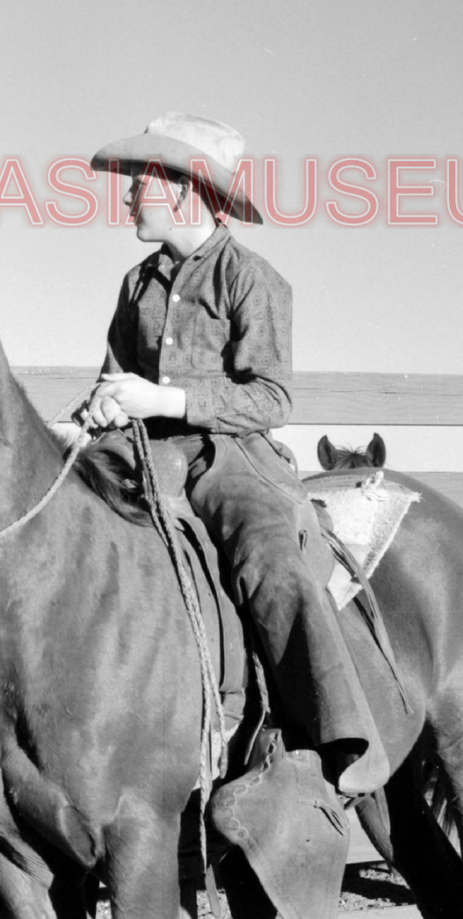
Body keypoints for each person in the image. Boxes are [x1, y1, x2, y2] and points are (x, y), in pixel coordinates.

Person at [85, 112, 389, 797]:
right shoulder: (135, 286)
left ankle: (336, 728)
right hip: (141, 455)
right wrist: (96, 408)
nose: (129, 197)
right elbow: (112, 380)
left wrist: (166, 400)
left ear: (186, 193)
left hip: (231, 458)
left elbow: (273, 398)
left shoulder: (251, 278)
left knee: (266, 555)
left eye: (141, 185)